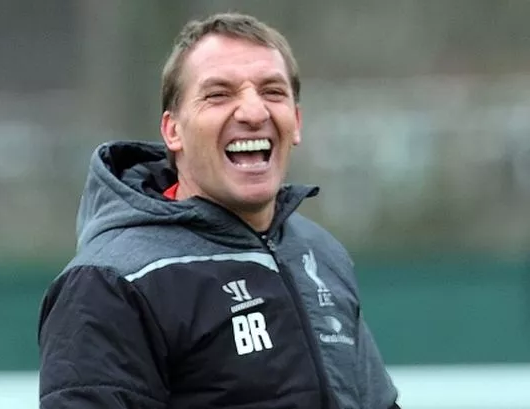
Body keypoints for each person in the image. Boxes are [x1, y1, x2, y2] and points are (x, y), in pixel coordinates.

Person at [38, 12, 400, 409]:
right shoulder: (111, 283)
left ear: (296, 121)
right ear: (172, 130)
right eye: (219, 94)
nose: (254, 112)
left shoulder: (319, 252)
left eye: (272, 92)